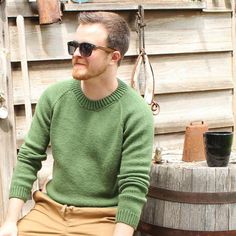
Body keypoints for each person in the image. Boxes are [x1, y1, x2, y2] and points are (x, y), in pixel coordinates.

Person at [0, 11, 154, 236]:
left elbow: (134, 184)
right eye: (74, 46)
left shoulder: (136, 113)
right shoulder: (54, 97)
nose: (77, 54)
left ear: (114, 57)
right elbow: (29, 158)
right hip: (49, 212)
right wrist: (10, 222)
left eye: (87, 48)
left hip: (102, 217)